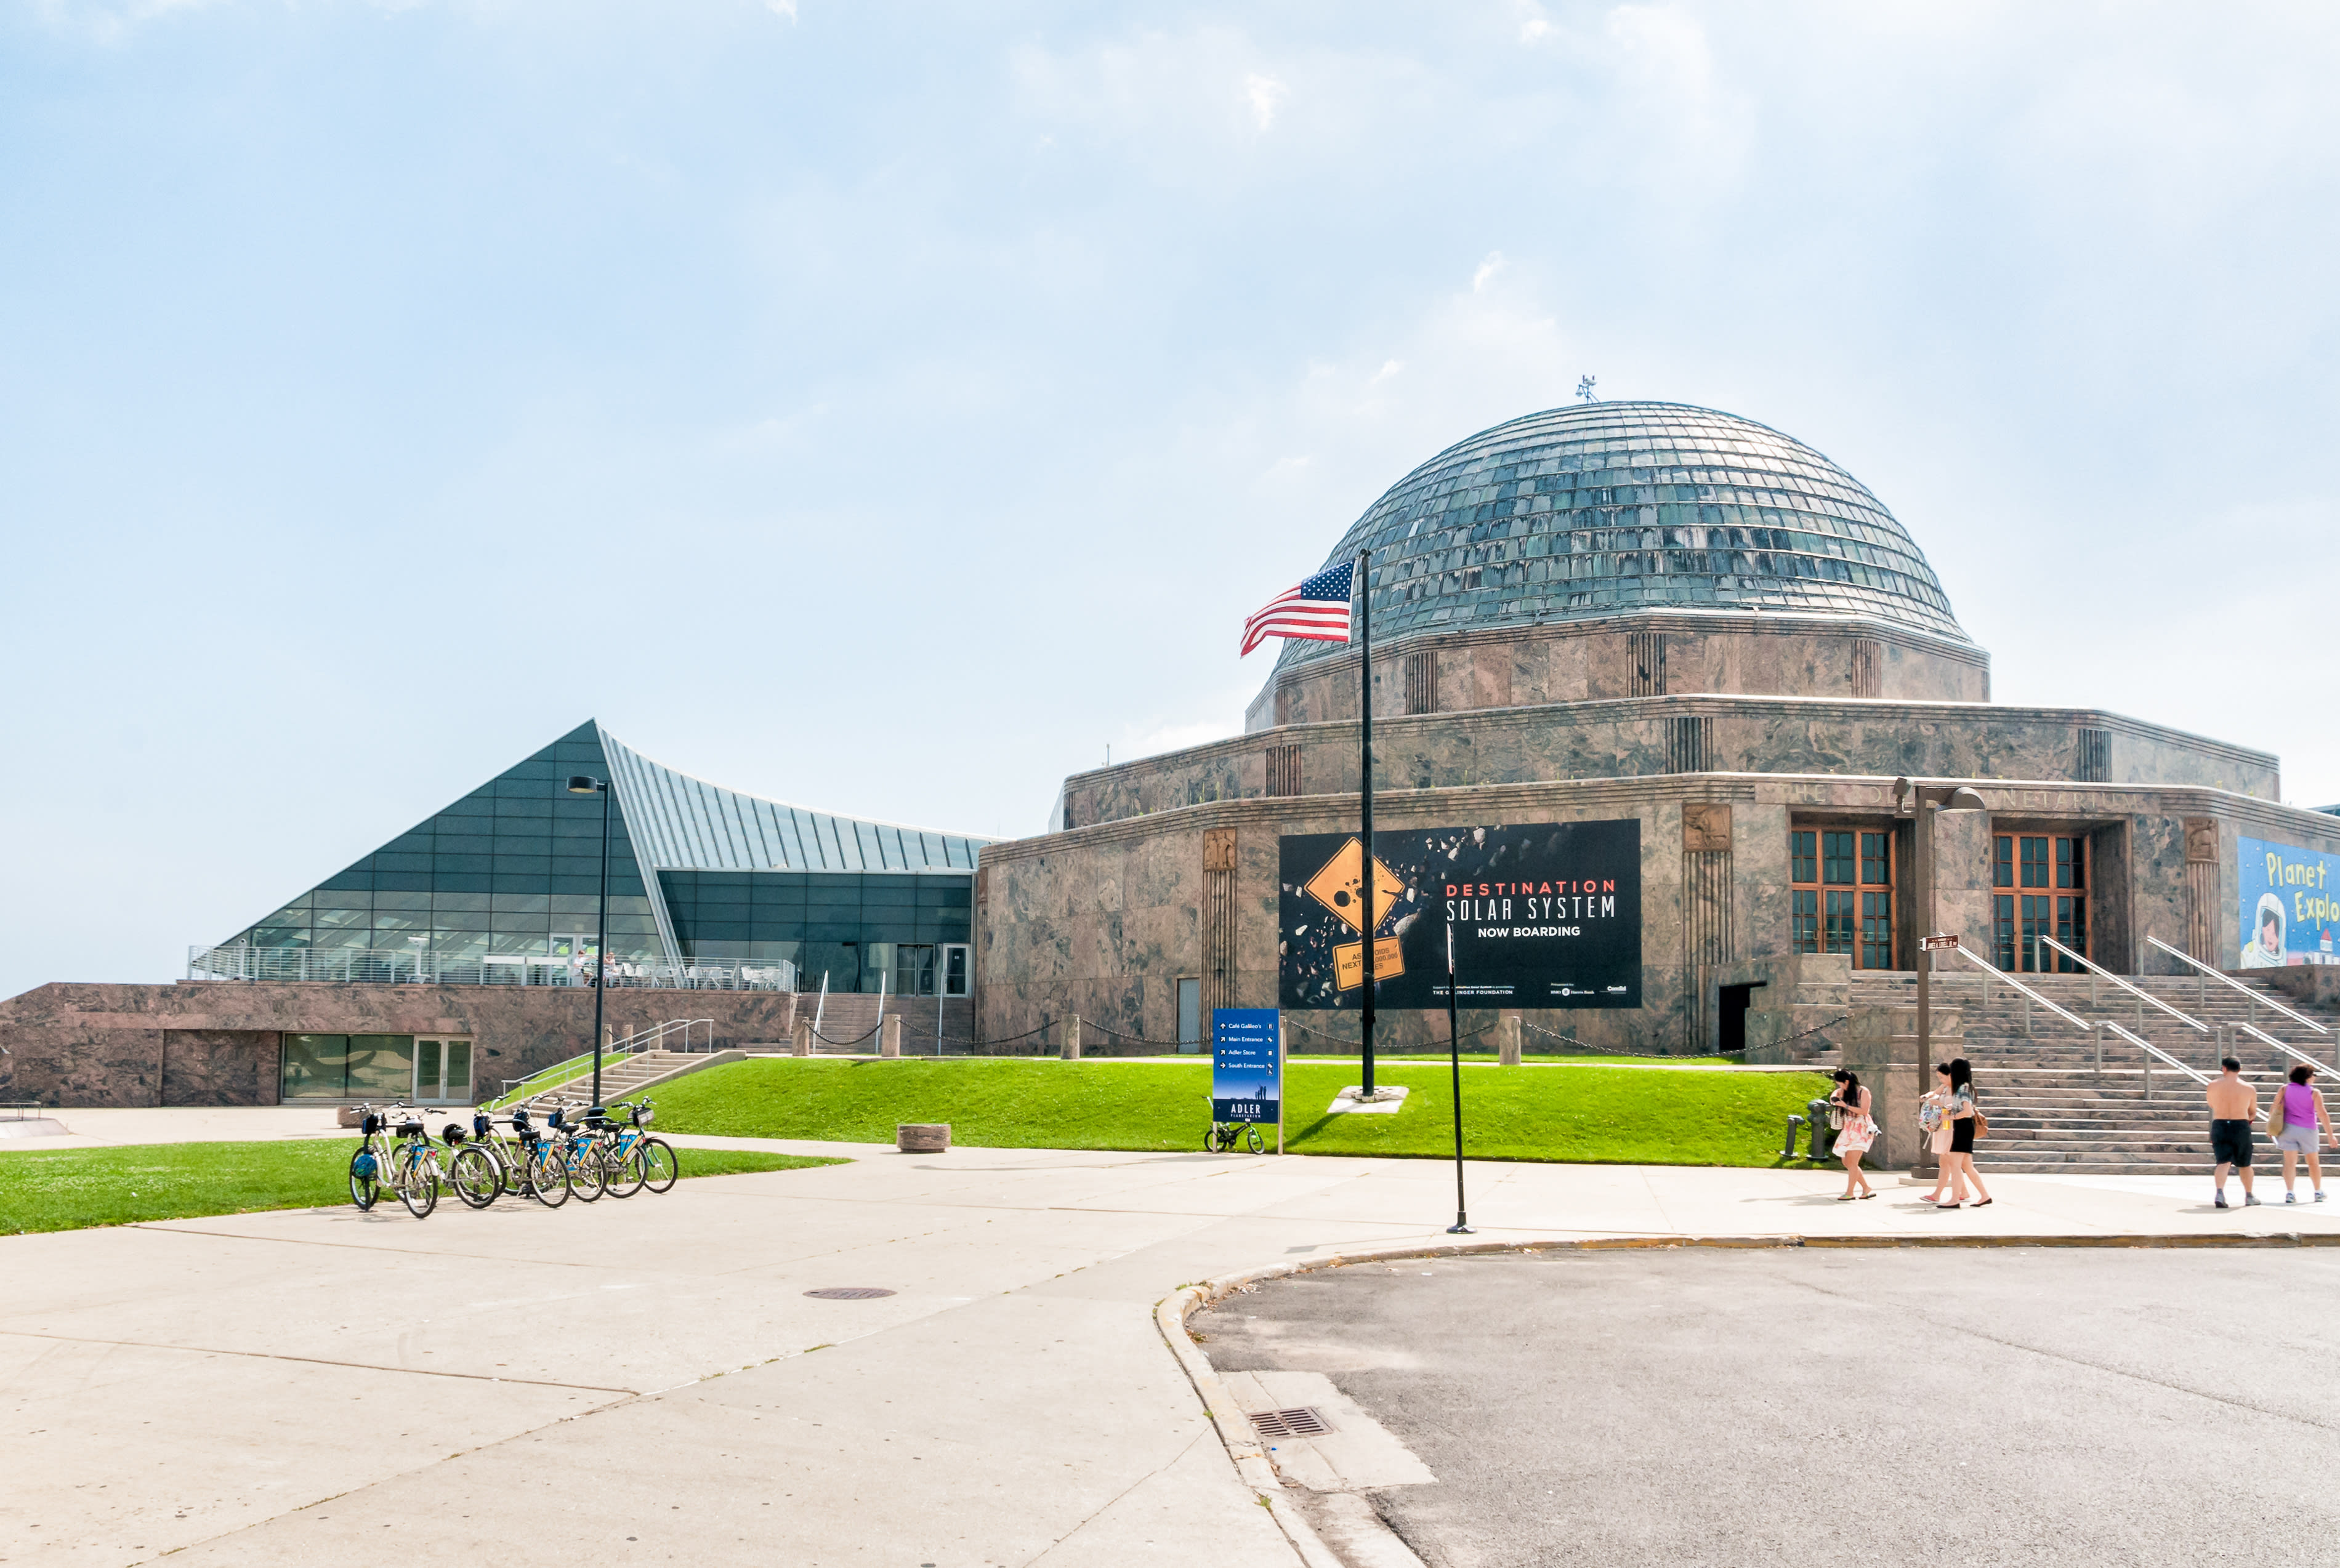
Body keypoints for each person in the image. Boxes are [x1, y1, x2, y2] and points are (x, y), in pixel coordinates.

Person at [2269, 1064, 2334, 1203]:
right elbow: (2322, 1114)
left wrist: (2270, 1128)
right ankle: (2317, 1191)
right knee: (2313, 1163)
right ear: (2308, 1077)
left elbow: (2274, 1108)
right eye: (2313, 1075)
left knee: (2290, 1163)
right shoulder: (2314, 1093)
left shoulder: (2285, 1089)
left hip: (2287, 1129)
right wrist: (2330, 1135)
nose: (2314, 1078)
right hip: (2308, 1130)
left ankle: (2290, 1193)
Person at [1934, 1057, 1992, 1210]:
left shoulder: (1963, 1088)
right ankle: (1985, 1196)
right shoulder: (1965, 1087)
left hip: (1963, 1127)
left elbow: (1967, 1111)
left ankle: (1954, 1199)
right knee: (1967, 1166)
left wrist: (1951, 1116)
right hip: (1964, 1127)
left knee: (1956, 1165)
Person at [2205, 1056, 2261, 1209]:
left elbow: (2211, 1104)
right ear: (2240, 1070)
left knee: (2223, 1162)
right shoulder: (2249, 1088)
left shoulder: (2212, 1085)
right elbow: (2252, 1112)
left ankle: (2220, 1193)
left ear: (2224, 1068)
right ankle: (2249, 1195)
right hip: (2240, 1124)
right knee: (2245, 1163)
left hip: (2220, 1123)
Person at [1828, 1068, 1878, 1200]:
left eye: (1841, 1083)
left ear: (1847, 1081)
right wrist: (1836, 1098)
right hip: (1848, 1128)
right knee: (1847, 1162)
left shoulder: (1863, 1091)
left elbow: (1864, 1111)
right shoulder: (1843, 1091)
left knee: (1852, 1162)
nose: (1840, 1086)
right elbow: (1833, 1098)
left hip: (1861, 1128)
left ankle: (1850, 1192)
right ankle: (1866, 1189)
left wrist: (1846, 1106)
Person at [1919, 1063, 1955, 1203]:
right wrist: (1927, 1096)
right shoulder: (1946, 1087)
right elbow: (1935, 1092)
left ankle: (1937, 1194)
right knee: (1951, 1162)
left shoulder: (1958, 1089)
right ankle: (1962, 1192)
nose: (1941, 1080)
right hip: (1943, 1126)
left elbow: (1955, 1109)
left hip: (1951, 1126)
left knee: (1948, 1161)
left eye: (1942, 1077)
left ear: (1950, 1075)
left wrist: (1939, 1104)